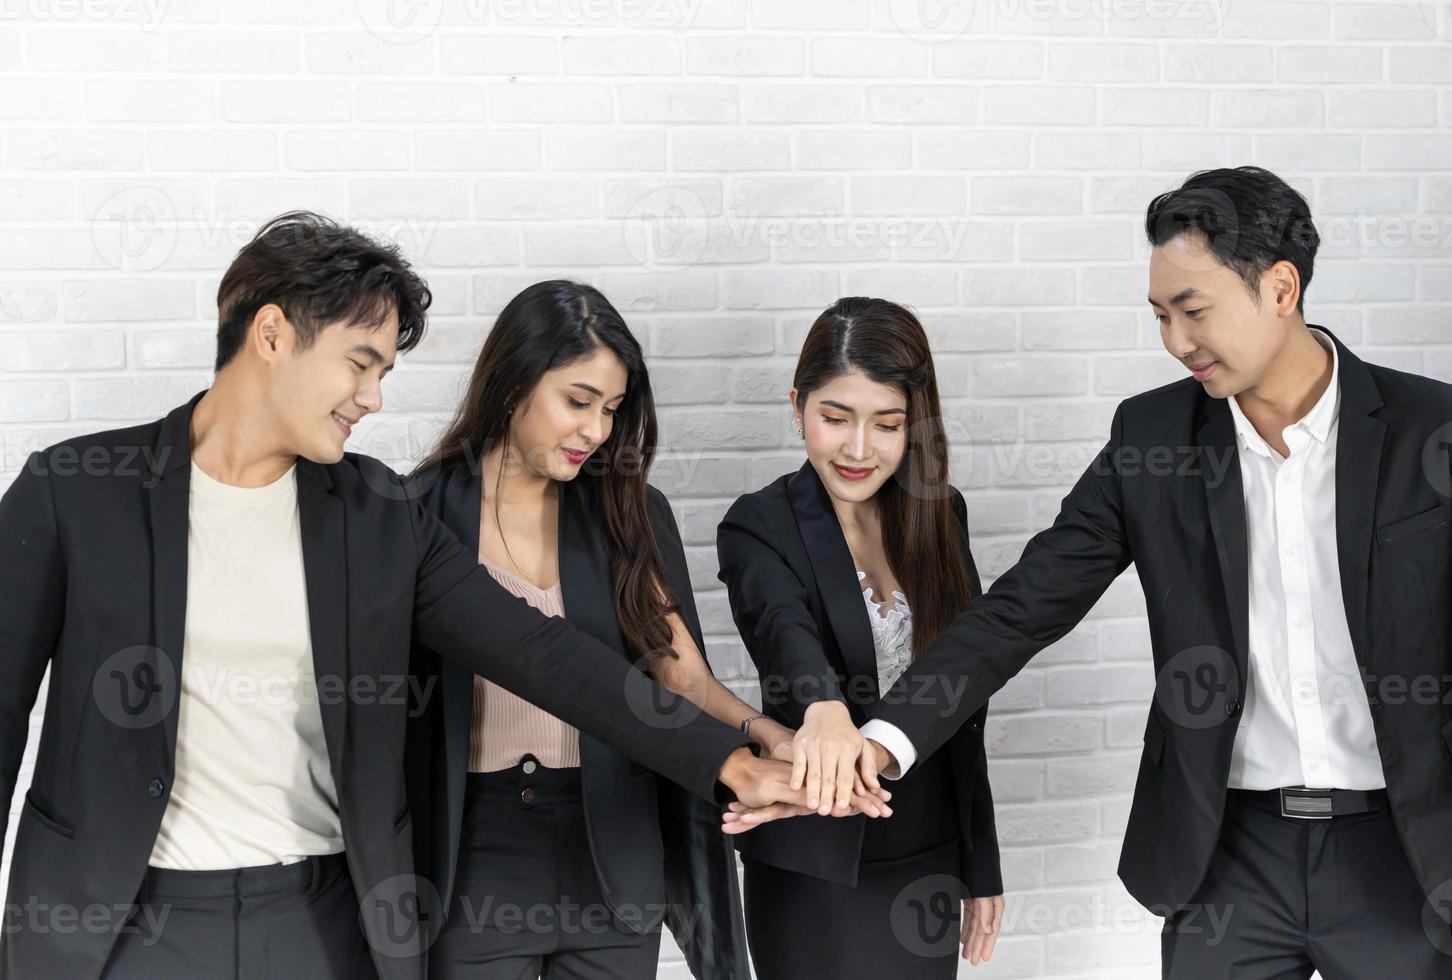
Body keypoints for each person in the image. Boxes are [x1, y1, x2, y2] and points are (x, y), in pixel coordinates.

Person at [0, 212, 877, 980]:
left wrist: (730, 761)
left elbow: (546, 656)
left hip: (322, 922)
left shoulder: (377, 515)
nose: (374, 398)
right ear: (271, 334)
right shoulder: (74, 492)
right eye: (361, 363)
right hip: (114, 927)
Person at [734, 167, 1452, 978]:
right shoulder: (1150, 438)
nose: (1175, 341)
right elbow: (1022, 607)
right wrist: (882, 742)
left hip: (1409, 851)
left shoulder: (1439, 432)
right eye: (1160, 315)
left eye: (1194, 311)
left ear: (1281, 288)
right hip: (1226, 860)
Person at [405, 280, 839, 979]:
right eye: (577, 402)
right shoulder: (419, 514)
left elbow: (682, 676)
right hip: (476, 860)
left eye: (610, 409)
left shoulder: (627, 509)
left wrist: (766, 733)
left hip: (612, 847)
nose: (597, 431)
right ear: (514, 382)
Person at [717, 297, 1004, 977]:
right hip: (814, 856)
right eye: (834, 418)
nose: (857, 448)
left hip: (928, 852)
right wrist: (822, 709)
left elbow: (964, 695)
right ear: (798, 407)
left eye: (887, 423)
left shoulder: (941, 515)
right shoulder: (757, 524)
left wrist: (980, 859)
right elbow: (780, 628)